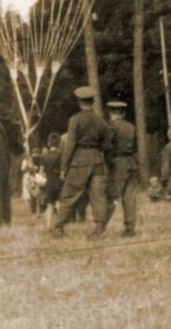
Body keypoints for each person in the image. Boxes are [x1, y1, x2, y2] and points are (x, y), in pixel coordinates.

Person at [52, 86, 111, 240]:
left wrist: (64, 167)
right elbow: (106, 146)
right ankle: (99, 229)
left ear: (79, 102)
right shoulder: (101, 121)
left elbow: (70, 144)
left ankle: (58, 227)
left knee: (69, 194)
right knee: (98, 196)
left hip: (80, 161)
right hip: (97, 161)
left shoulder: (75, 120)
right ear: (92, 102)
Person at [105, 100, 138, 237]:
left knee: (112, 196)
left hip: (118, 164)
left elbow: (108, 147)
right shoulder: (131, 127)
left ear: (111, 113)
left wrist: (108, 164)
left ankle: (101, 226)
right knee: (129, 197)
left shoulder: (111, 127)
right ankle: (130, 228)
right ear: (123, 113)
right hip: (131, 162)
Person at [41, 133, 63, 229]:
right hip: (58, 180)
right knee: (59, 204)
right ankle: (59, 224)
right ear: (59, 143)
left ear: (49, 143)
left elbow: (41, 172)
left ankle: (48, 225)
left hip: (49, 181)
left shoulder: (44, 156)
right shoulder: (61, 155)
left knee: (49, 205)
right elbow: (63, 171)